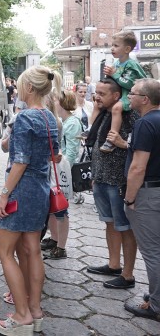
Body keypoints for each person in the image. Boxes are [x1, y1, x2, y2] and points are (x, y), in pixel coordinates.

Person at [0, 66, 61, 335]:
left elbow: (20, 161)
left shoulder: (24, 118)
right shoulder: (49, 117)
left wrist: (4, 195)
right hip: (41, 189)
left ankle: (21, 316)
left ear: (30, 88)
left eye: (22, 85)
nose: (19, 89)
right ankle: (35, 310)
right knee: (32, 249)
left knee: (4, 251)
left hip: (21, 190)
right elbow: (53, 155)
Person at [86, 77, 138, 289]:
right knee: (109, 222)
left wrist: (123, 143)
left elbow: (142, 147)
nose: (97, 96)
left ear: (117, 96)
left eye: (102, 93)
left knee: (125, 227)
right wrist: (94, 176)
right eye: (96, 92)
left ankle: (128, 275)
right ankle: (114, 264)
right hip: (101, 177)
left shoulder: (129, 114)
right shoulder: (105, 112)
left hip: (119, 180)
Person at [122, 78, 160, 321]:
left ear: (145, 99)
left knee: (152, 251)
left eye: (133, 94)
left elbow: (138, 167)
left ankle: (156, 306)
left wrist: (129, 198)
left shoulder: (145, 124)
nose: (129, 97)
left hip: (148, 193)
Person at [42, 90, 82, 260]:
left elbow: (71, 151)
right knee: (53, 208)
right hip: (55, 169)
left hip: (60, 171)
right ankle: (54, 238)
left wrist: (63, 171)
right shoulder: (64, 121)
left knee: (60, 209)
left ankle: (61, 247)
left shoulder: (71, 123)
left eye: (56, 100)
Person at [97, 30, 146, 153]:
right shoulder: (117, 62)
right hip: (119, 93)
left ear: (127, 49)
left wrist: (114, 73)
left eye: (116, 45)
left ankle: (112, 139)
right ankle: (92, 128)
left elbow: (129, 84)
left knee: (116, 108)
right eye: (112, 45)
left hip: (129, 95)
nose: (112, 48)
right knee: (97, 104)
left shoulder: (131, 64)